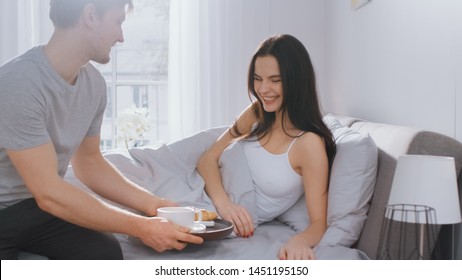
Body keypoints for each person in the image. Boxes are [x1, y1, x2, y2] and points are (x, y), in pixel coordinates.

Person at [0, 0, 202, 260]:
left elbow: (89, 163)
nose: (121, 37)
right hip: (6, 212)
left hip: (36, 210)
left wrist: (155, 205)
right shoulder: (19, 83)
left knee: (105, 253)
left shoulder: (93, 86)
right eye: (118, 21)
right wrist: (141, 226)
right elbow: (48, 192)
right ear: (90, 14)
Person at [197, 34, 336, 260]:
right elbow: (207, 159)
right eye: (257, 78)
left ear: (296, 80)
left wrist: (298, 241)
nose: (263, 89)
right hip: (205, 197)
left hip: (210, 215)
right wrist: (225, 206)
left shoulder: (308, 144)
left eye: (275, 79)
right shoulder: (257, 112)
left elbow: (319, 223)